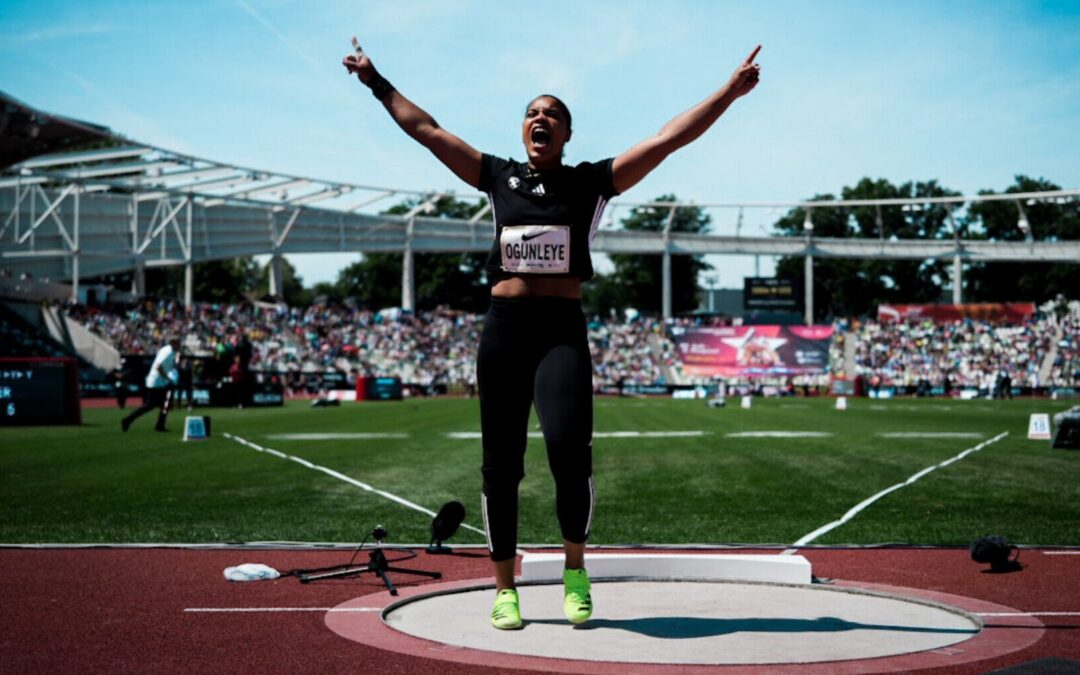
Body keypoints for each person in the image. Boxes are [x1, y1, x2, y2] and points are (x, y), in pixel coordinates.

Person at [343, 38, 761, 630]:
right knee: (500, 465)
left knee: (569, 452)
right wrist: (375, 79)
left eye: (553, 115)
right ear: (524, 131)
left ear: (566, 135)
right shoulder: (497, 177)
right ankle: (505, 587)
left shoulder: (590, 183)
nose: (542, 120)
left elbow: (668, 139)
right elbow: (429, 131)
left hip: (559, 332)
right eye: (533, 114)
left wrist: (729, 92)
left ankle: (574, 570)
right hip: (505, 330)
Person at [121, 335, 180, 432]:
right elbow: (159, 366)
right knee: (151, 405)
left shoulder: (168, 350)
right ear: (173, 343)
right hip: (158, 381)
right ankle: (128, 420)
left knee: (163, 404)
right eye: (178, 343)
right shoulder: (168, 352)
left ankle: (159, 425)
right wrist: (168, 379)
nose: (179, 345)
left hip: (159, 381)